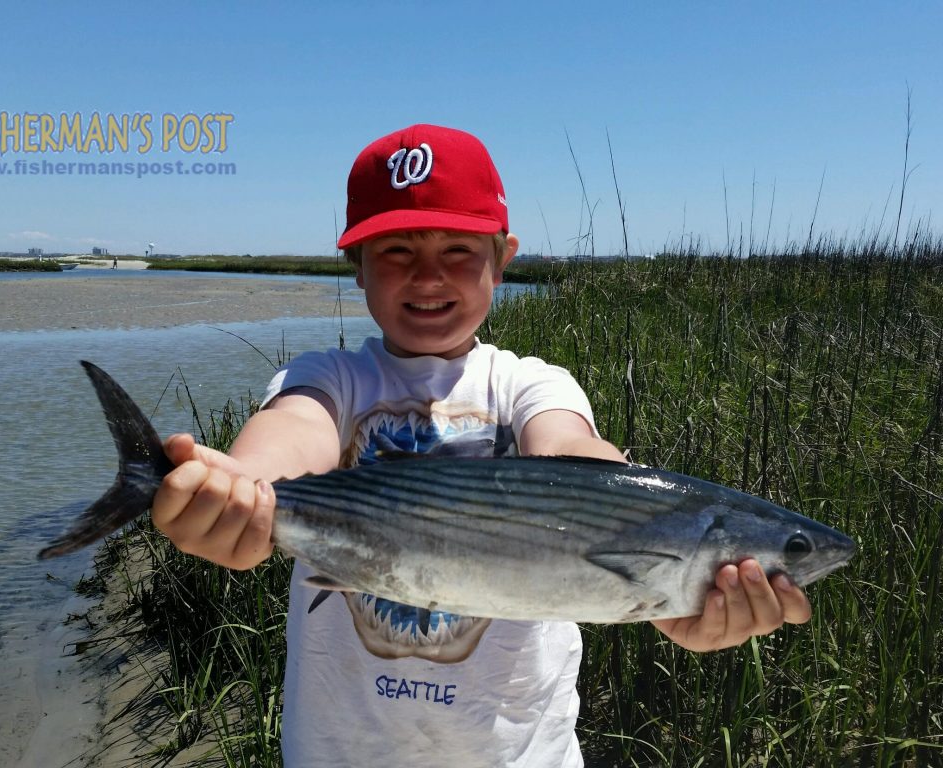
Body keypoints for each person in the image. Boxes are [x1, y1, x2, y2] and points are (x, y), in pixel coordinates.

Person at [151, 124, 812, 766]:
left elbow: (574, 453)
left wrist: (671, 590)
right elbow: (296, 429)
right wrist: (235, 487)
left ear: (504, 256)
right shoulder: (330, 376)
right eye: (398, 252)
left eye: (459, 250)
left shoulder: (531, 383)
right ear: (357, 267)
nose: (430, 277)